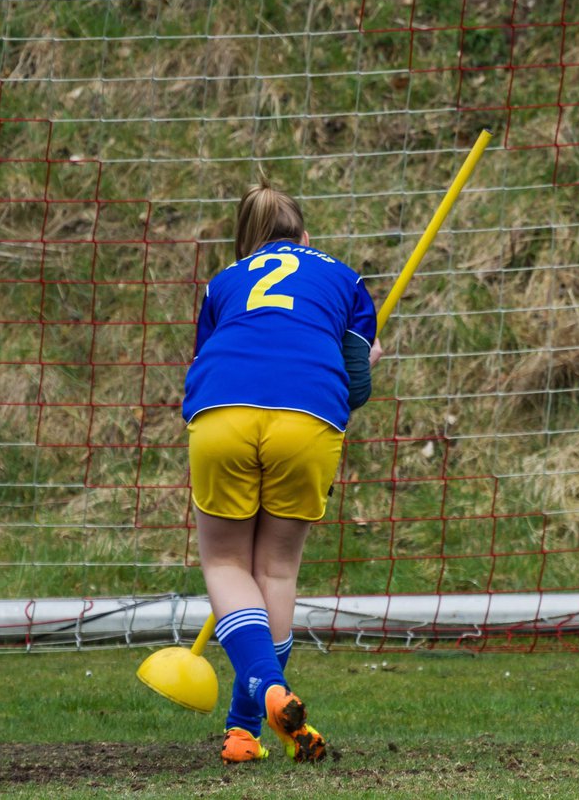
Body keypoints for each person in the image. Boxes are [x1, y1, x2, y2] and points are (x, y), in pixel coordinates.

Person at [182, 180, 382, 764]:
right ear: (305, 237)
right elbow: (357, 388)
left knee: (224, 563)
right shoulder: (344, 277)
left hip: (223, 411)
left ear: (251, 240)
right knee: (275, 570)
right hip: (307, 417)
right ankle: (251, 722)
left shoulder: (226, 280)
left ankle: (254, 716)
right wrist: (367, 362)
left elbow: (207, 354)